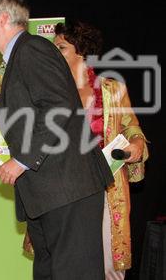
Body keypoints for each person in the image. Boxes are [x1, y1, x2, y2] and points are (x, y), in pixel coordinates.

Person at [0, 0, 114, 279]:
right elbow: (33, 119)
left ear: (3, 19)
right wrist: (1, 155)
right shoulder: (21, 56)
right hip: (50, 193)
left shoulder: (32, 49)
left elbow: (59, 107)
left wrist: (21, 160)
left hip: (68, 190)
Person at [53, 20, 148, 279]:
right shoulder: (48, 90)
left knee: (109, 265)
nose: (54, 53)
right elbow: (5, 98)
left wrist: (137, 145)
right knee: (64, 262)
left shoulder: (112, 89)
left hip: (106, 186)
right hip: (63, 187)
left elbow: (132, 129)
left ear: (81, 51)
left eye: (60, 47)